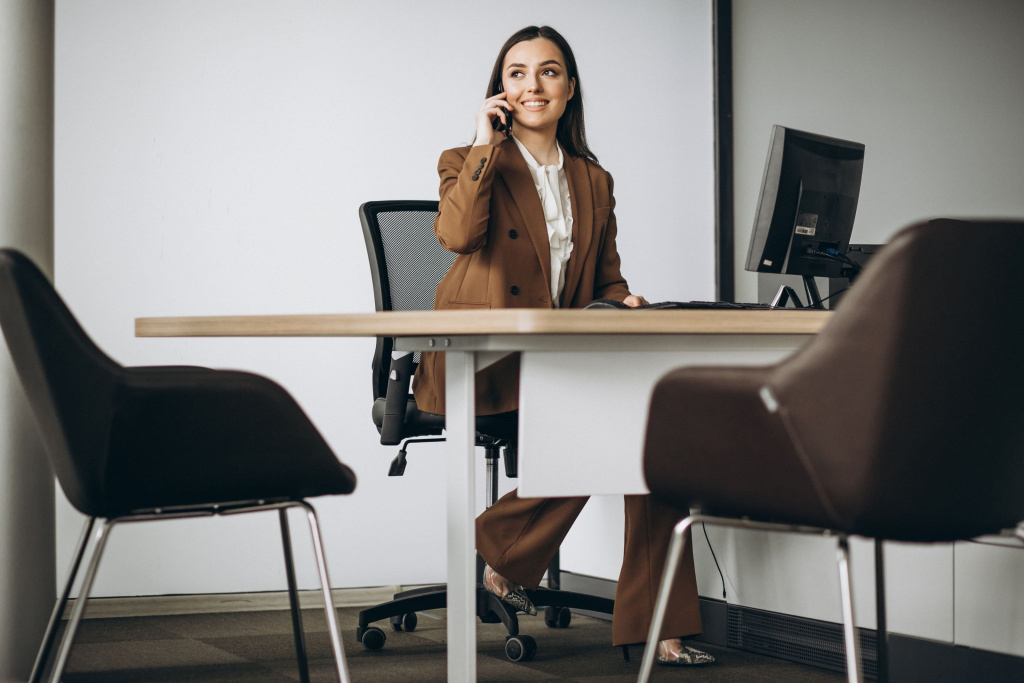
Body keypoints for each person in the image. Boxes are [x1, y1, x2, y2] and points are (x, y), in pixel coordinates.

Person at [412, 25, 714, 667]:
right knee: (618, 429)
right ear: (500, 89)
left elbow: (606, 278)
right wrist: (483, 146)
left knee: (654, 435)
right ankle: (507, 549)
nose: (532, 86)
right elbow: (459, 234)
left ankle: (654, 619)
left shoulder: (593, 179)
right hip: (485, 359)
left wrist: (624, 300)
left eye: (549, 72)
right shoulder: (465, 160)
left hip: (560, 355)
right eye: (517, 73)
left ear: (570, 89)